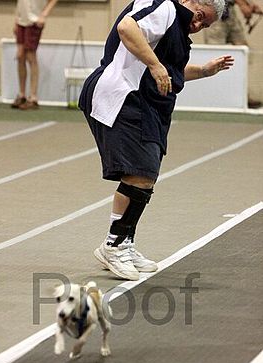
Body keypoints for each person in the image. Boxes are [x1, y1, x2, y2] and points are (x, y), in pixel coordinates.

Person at [79, 0, 234, 281]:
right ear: (192, 2)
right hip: (123, 94)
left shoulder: (178, 31)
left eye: (205, 25)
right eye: (200, 16)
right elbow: (127, 27)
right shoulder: (165, 8)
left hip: (147, 103)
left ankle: (123, 240)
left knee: (146, 173)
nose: (198, 25)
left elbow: (169, 71)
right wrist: (154, 64)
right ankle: (114, 245)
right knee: (140, 172)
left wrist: (204, 71)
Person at [204, 0, 263, 108]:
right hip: (214, 11)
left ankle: (242, 95)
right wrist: (242, 4)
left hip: (230, 11)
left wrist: (249, 4)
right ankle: (215, 95)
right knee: (215, 56)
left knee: (244, 52)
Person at [11, 0, 58, 110]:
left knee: (30, 56)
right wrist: (16, 20)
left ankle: (33, 97)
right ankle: (21, 94)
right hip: (21, 20)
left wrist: (44, 14)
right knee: (20, 56)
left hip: (34, 20)